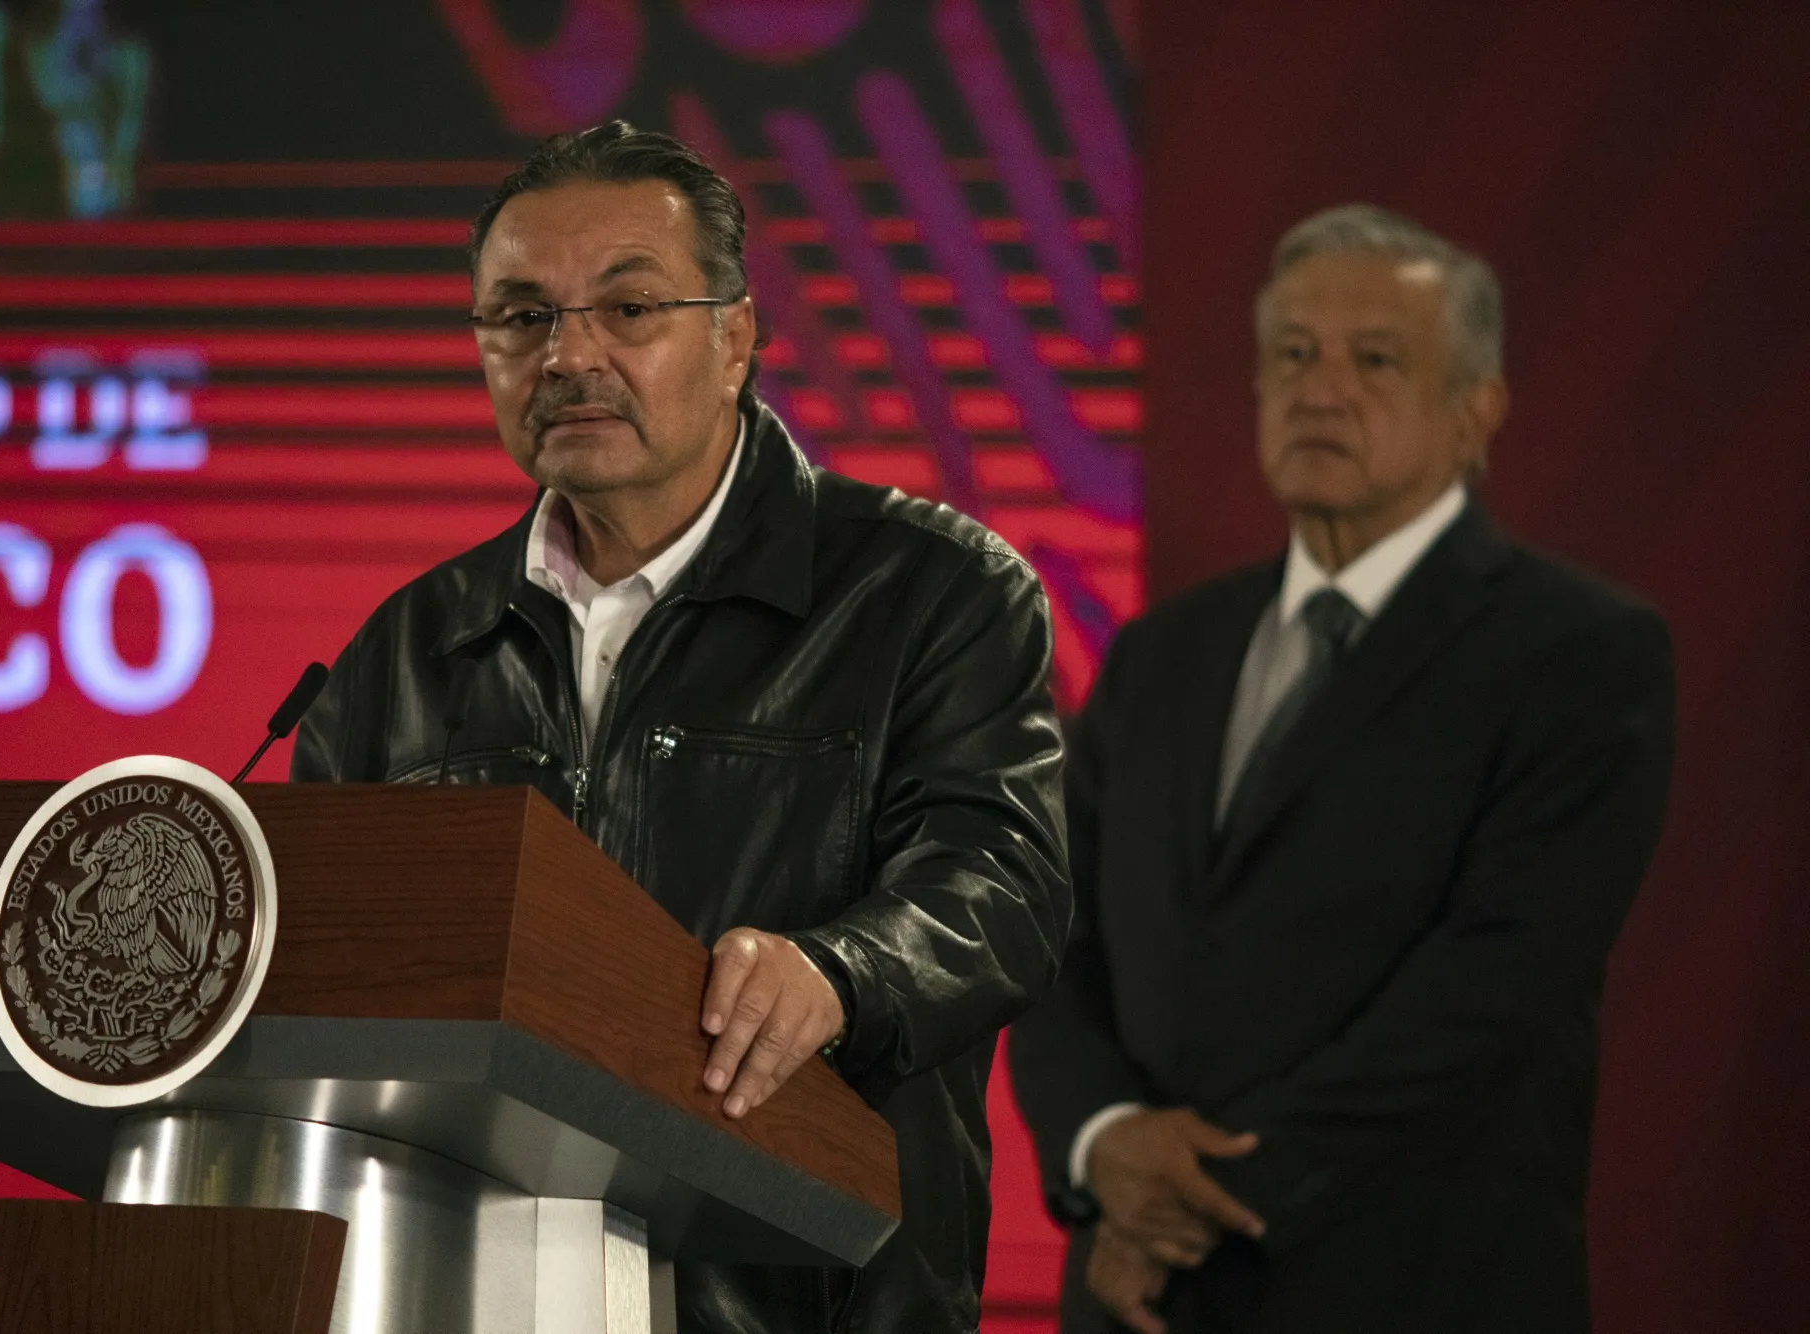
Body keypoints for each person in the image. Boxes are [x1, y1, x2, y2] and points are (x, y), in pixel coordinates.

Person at [291, 121, 1070, 1334]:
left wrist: (840, 971)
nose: (568, 355)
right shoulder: (400, 652)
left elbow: (1002, 880)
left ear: (736, 337)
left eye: (628, 308)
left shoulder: (930, 591)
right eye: (522, 316)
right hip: (465, 1290)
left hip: (806, 1298)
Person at [1009, 204, 1675, 1334]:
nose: (1319, 389)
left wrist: (1180, 1209)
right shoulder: (1163, 650)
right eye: (1291, 355)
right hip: (1133, 1299)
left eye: (1374, 359)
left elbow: (1486, 992)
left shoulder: (1578, 653)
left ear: (1477, 412)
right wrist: (1100, 1143)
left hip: (1405, 1285)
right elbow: (1047, 935)